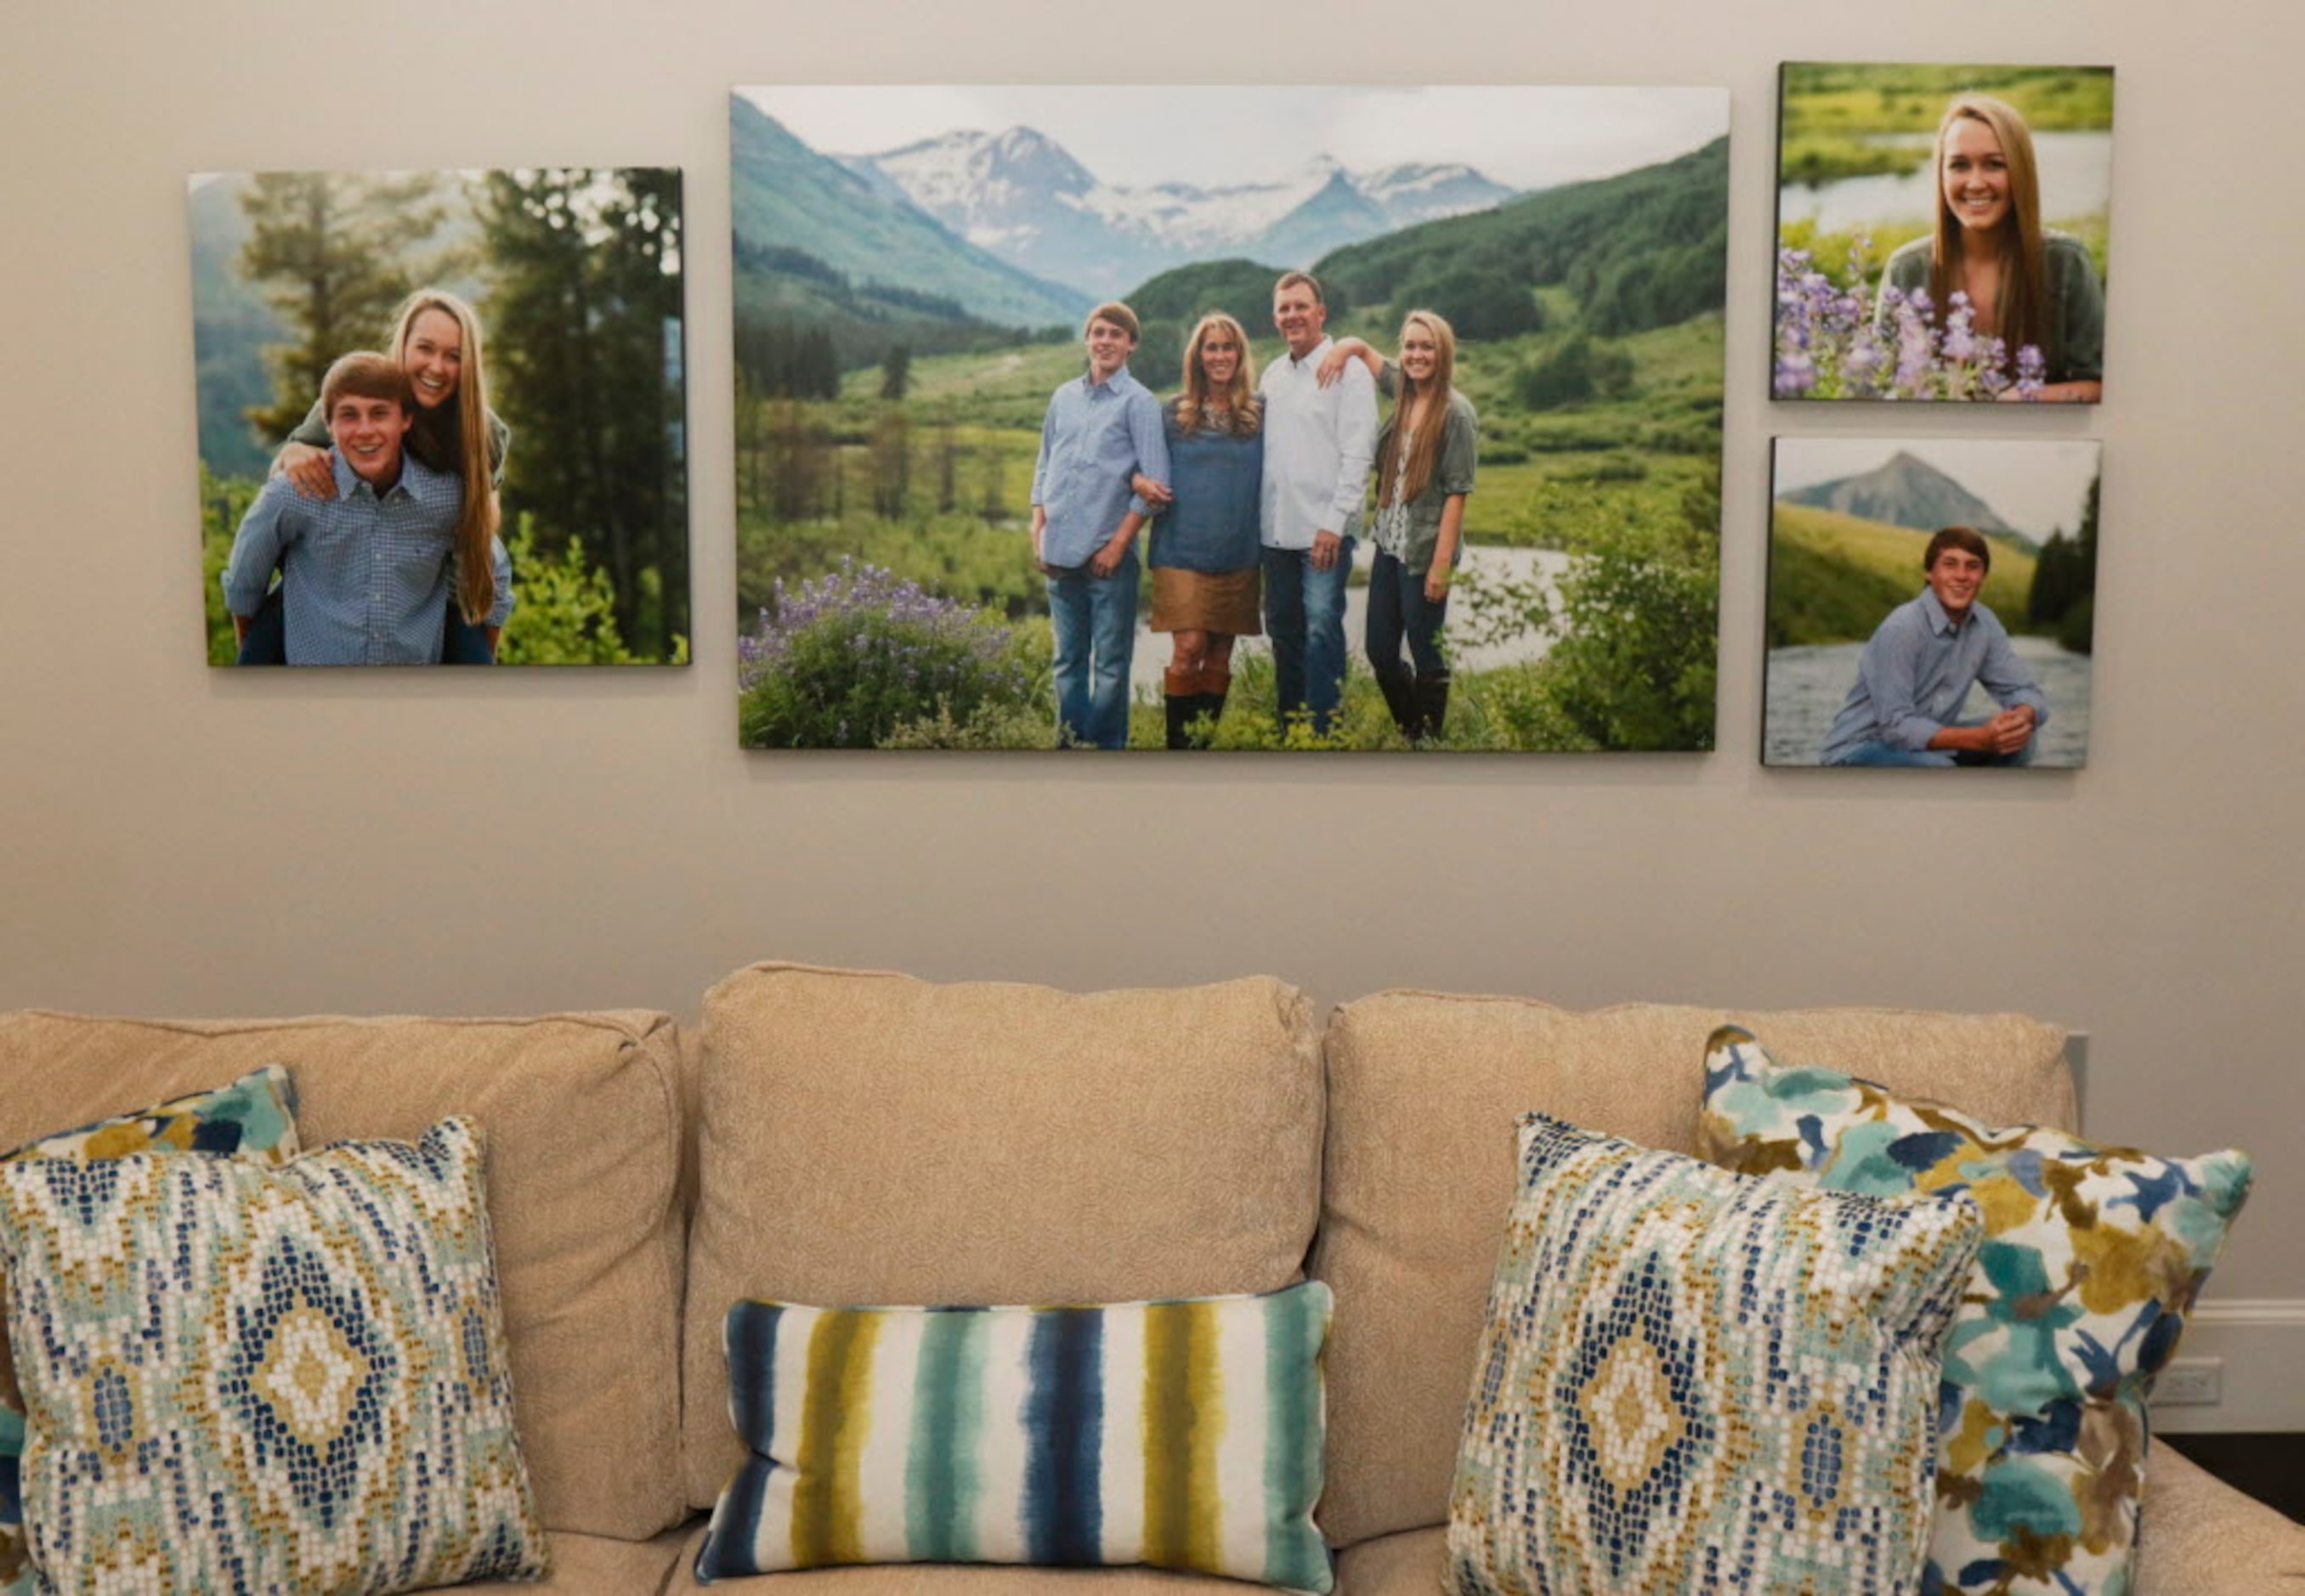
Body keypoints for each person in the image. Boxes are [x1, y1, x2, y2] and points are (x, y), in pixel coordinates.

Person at [259, 288, 513, 660]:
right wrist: (294, 452)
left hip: (437, 589)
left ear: (468, 364)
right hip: (333, 584)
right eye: (425, 348)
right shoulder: (359, 391)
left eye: (453, 356)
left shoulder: (484, 434)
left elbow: (485, 531)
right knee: (251, 666)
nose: (436, 367)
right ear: (403, 346)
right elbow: (284, 477)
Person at [220, 353, 467, 665]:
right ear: (328, 424)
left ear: (406, 419)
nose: (365, 430)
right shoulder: (293, 494)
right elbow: (244, 586)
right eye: (349, 415)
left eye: (379, 414)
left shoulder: (448, 497)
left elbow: (493, 580)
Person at [1873, 94, 2105, 403]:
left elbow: (2098, 385)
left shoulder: (2066, 261)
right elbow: (1878, 384)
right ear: (1941, 174)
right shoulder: (1906, 269)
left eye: (1995, 164)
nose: (1976, 182)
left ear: (2020, 172)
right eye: (1959, 165)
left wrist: (2023, 397)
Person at [1319, 311, 1477, 743]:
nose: (1416, 355)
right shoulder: (1403, 391)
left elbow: (1457, 494)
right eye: (1409, 346)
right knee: (1380, 651)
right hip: (1389, 544)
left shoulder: (1456, 414)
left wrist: (1441, 566)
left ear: (1442, 353)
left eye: (1427, 347)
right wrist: (1343, 347)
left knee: (1427, 652)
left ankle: (1428, 738)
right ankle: (1414, 730)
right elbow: (1369, 354)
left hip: (1425, 550)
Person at [1029, 301, 1169, 750]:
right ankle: (1069, 747)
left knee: (1110, 665)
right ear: (1087, 339)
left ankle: (1107, 754)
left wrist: (1118, 545)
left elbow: (1156, 486)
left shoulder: (1140, 403)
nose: (1106, 341)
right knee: (1066, 661)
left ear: (1131, 345)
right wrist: (1038, 530)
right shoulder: (1063, 397)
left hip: (1109, 559)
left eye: (1116, 334)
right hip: (1059, 553)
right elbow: (1043, 465)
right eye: (1099, 332)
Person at [1130, 314, 1265, 748]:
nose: (1221, 355)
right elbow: (1130, 462)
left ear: (1239, 355)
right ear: (1198, 357)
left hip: (1239, 553)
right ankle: (1177, 748)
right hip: (1180, 551)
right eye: (1212, 348)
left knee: (1221, 653)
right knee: (1189, 648)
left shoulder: (1259, 413)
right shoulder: (1172, 412)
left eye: (1228, 347)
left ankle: (1202, 747)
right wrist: (1137, 482)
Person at [1258, 272, 1377, 739]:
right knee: (1283, 632)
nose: (1292, 316)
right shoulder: (1272, 375)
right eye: (1284, 309)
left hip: (1323, 532)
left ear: (1321, 313)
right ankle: (1293, 729)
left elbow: (1358, 453)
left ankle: (1327, 733)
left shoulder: (1349, 371)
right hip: (1275, 532)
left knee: (1323, 627)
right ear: (1275, 318)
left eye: (1300, 306)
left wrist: (1334, 525)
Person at [1821, 526, 2049, 767]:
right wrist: (1979, 740)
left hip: (1924, 743)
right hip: (1859, 748)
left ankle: (1982, 805)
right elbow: (1895, 727)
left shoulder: (1985, 625)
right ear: (1930, 573)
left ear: (1984, 576)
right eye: (1950, 564)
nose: (1962, 576)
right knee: (1938, 769)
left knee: (2021, 740)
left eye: (1972, 566)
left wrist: (2020, 719)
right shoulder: (1902, 627)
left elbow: (2025, 691)